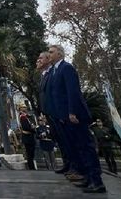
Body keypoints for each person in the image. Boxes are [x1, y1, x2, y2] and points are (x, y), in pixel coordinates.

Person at [45, 44, 105, 193]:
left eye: (51, 52)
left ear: (60, 54)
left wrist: (72, 112)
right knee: (77, 148)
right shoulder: (53, 71)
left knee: (85, 147)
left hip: (74, 116)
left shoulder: (67, 68)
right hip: (63, 117)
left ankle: (96, 181)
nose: (49, 55)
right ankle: (86, 177)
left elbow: (73, 92)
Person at [18, 105, 36, 170]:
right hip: (27, 136)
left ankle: (32, 166)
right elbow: (26, 127)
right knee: (29, 153)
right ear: (20, 109)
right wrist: (33, 129)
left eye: (25, 107)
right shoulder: (22, 116)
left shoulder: (27, 116)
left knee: (32, 153)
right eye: (23, 107)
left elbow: (32, 123)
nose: (25, 108)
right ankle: (31, 167)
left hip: (31, 136)